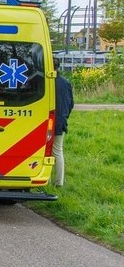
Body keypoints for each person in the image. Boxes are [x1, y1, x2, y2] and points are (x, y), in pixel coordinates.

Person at [52, 57, 74, 188]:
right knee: (57, 152)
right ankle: (59, 182)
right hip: (60, 122)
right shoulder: (66, 83)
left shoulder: (43, 81)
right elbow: (70, 104)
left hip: (42, 123)